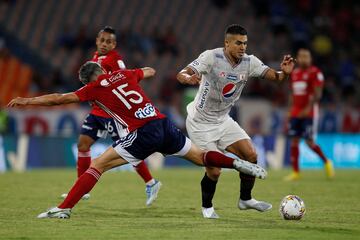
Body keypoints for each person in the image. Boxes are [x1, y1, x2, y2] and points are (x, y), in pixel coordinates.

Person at [7, 62, 267, 219]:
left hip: (143, 132)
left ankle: (64, 208)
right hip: (162, 123)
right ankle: (237, 164)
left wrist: (27, 101)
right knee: (201, 158)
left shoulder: (92, 89)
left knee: (97, 164)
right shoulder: (126, 74)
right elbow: (149, 70)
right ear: (103, 70)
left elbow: (59, 98)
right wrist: (141, 72)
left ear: (87, 80)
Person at [176, 24, 295, 219]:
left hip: (223, 121)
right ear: (227, 43)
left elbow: (276, 77)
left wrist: (285, 73)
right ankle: (207, 207)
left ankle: (245, 199)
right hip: (200, 123)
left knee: (251, 154)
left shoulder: (250, 62)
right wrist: (187, 78)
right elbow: (182, 73)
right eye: (238, 43)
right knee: (214, 171)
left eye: (245, 43)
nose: (243, 47)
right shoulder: (211, 57)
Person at [68, 26, 161, 205]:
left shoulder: (116, 61)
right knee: (83, 144)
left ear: (114, 44)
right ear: (96, 40)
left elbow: (123, 80)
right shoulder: (95, 59)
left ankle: (151, 183)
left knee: (129, 151)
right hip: (97, 111)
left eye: (108, 42)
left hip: (112, 114)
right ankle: (82, 189)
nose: (104, 44)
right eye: (102, 40)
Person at [284, 48, 335, 181]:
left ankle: (327, 162)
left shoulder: (315, 73)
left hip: (309, 113)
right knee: (294, 140)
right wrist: (289, 110)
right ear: (298, 58)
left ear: (310, 59)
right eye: (301, 57)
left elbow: (318, 94)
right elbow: (292, 94)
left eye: (306, 57)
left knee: (309, 142)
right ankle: (296, 172)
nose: (303, 59)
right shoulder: (295, 74)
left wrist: (308, 108)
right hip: (296, 112)